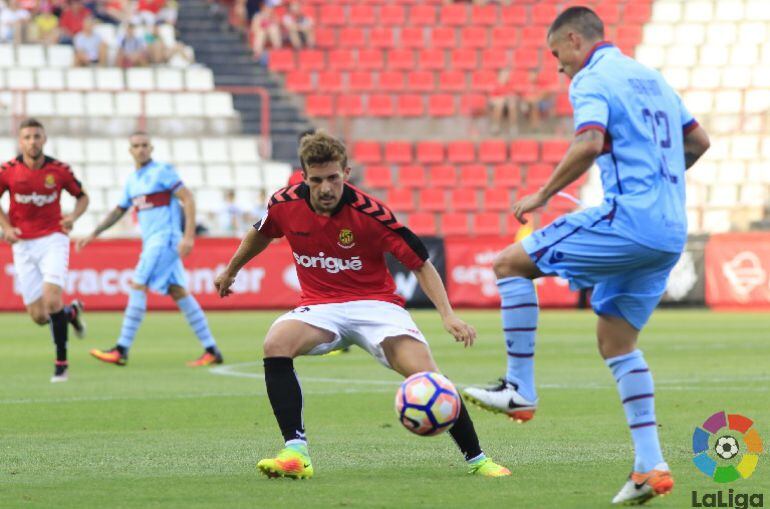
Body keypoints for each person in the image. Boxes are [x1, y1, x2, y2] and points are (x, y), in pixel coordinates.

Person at [462, 6, 712, 505]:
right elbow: (699, 141)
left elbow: (589, 141)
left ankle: (519, 388)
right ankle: (649, 466)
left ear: (575, 40)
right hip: (670, 229)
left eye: (558, 55)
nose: (559, 68)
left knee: (509, 264)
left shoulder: (593, 77)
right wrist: (659, 175)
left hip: (630, 219)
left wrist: (543, 194)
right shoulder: (651, 77)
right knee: (617, 343)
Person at [213, 131, 510, 479]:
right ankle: (296, 453)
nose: (325, 188)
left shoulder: (371, 213)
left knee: (428, 376)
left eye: (333, 178)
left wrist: (448, 315)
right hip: (320, 307)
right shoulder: (284, 204)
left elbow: (420, 263)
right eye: (317, 180)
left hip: (377, 307)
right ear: (304, 176)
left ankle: (478, 460)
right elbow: (261, 232)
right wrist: (230, 270)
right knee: (275, 343)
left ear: (346, 173)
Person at [77, 132, 224, 367]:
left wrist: (188, 237)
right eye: (136, 146)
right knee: (178, 291)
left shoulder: (162, 171)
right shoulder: (133, 181)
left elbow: (188, 198)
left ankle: (121, 348)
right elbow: (118, 211)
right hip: (154, 241)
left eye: (145, 145)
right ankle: (212, 350)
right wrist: (94, 233)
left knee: (138, 284)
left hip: (165, 239)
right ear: (130, 150)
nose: (141, 149)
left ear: (151, 148)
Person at [0, 118, 89, 383]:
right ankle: (70, 313)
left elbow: (82, 196)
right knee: (40, 316)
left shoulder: (59, 170)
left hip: (53, 239)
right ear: (20, 141)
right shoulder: (8, 170)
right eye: (27, 137)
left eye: (37, 136)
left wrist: (73, 216)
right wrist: (6, 227)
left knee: (51, 300)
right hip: (23, 245)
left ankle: (61, 363)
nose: (32, 142)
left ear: (44, 139)